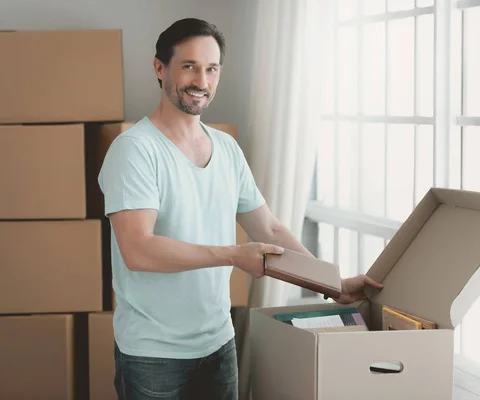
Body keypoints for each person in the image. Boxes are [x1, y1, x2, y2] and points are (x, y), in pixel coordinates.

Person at [99, 18, 384, 400]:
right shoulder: (135, 150)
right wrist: (234, 255)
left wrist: (332, 284)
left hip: (218, 343)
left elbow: (268, 228)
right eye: (189, 66)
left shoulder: (227, 149)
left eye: (211, 69)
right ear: (159, 68)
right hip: (153, 354)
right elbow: (138, 250)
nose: (202, 80)